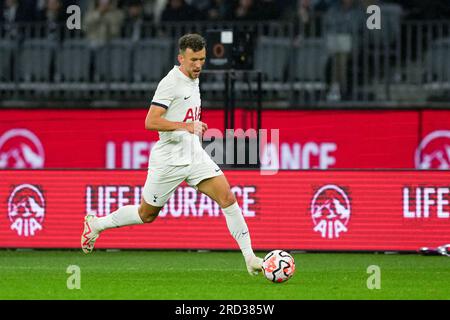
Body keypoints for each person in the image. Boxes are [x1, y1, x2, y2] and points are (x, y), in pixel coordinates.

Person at [81, 33, 263, 276]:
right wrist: (187, 126)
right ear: (181, 58)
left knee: (228, 198)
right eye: (193, 60)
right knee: (146, 214)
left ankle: (250, 258)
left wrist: (191, 127)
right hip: (169, 159)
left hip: (194, 153)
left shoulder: (194, 78)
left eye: (202, 59)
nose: (198, 65)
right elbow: (150, 121)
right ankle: (96, 224)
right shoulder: (170, 83)